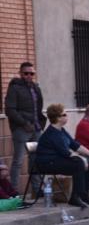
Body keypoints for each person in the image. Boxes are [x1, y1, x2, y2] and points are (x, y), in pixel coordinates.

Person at [35, 104, 89, 208]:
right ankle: (75, 197)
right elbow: (66, 152)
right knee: (79, 163)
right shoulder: (52, 133)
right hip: (47, 163)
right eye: (64, 114)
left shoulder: (61, 130)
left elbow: (75, 145)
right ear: (58, 118)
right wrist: (82, 159)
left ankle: (84, 194)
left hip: (57, 160)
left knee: (86, 161)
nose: (67, 116)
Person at [6, 62, 47, 192]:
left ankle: (37, 188)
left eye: (31, 73)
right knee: (18, 160)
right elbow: (10, 110)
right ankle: (14, 190)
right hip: (21, 129)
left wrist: (40, 124)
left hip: (36, 129)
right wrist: (24, 123)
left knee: (35, 158)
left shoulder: (36, 88)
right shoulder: (14, 88)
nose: (29, 76)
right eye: (26, 73)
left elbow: (39, 108)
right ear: (20, 73)